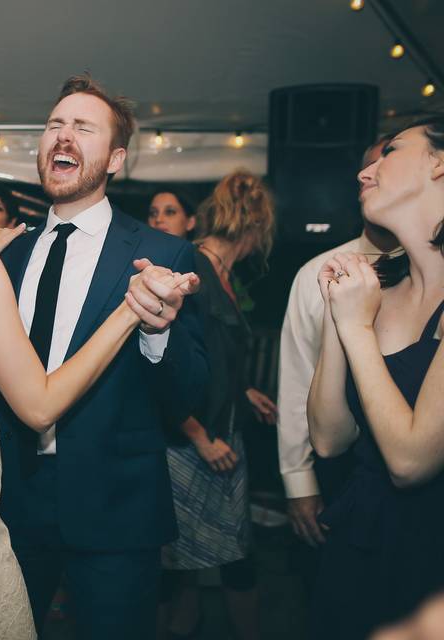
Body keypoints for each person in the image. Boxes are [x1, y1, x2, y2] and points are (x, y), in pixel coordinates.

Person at [0, 74, 208, 639]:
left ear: (117, 158)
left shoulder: (162, 254)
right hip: (3, 503)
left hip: (114, 512)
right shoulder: (2, 253)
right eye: (55, 125)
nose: (63, 137)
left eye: (84, 127)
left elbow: (196, 393)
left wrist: (155, 334)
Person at [307, 115, 444, 639]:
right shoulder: (379, 288)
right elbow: (328, 438)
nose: (366, 172)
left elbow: (411, 461)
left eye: (390, 151)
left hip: (429, 553)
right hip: (360, 538)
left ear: (437, 163)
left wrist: (356, 325)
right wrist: (338, 316)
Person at [157, 171, 276, 640]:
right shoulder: (195, 271)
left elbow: (212, 357)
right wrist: (198, 436)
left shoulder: (224, 275)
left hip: (223, 434)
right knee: (179, 561)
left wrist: (242, 390)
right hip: (191, 444)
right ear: (254, 229)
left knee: (222, 555)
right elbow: (161, 369)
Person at [277, 138, 398, 564]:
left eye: (391, 161)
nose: (370, 174)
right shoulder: (316, 273)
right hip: (340, 469)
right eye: (367, 167)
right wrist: (299, 481)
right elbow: (295, 381)